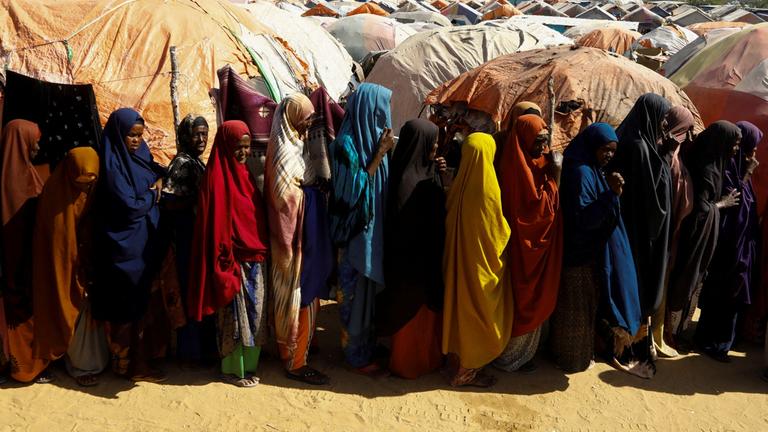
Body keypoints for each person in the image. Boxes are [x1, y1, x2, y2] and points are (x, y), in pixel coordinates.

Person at [550, 123, 640, 373]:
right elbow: (584, 218)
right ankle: (570, 358)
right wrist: (610, 195)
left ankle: (578, 354)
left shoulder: (594, 171)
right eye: (604, 150)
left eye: (612, 151)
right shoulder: (580, 173)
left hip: (589, 254)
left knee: (585, 307)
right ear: (592, 146)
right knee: (575, 310)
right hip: (577, 254)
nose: (609, 155)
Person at [188, 120, 269, 388]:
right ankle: (232, 369)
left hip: (254, 258)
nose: (244, 153)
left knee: (255, 314)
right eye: (238, 147)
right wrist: (227, 260)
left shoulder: (245, 176)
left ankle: (250, 364)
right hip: (231, 261)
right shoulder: (215, 181)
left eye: (247, 147)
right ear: (226, 146)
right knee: (234, 318)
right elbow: (213, 227)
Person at [89, 108, 167, 382]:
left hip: (143, 247)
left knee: (142, 306)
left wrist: (157, 181)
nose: (135, 141)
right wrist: (151, 197)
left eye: (139, 135)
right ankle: (130, 365)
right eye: (130, 136)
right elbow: (129, 206)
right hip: (123, 249)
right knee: (127, 307)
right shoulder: (112, 165)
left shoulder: (140, 157)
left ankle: (139, 362)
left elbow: (158, 172)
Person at [265, 93, 332, 385]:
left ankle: (301, 349)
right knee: (295, 298)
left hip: (303, 240)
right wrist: (310, 193)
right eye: (304, 119)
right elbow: (284, 200)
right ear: (291, 118)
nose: (308, 125)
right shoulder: (283, 153)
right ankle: (294, 360)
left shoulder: (296, 146)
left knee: (307, 297)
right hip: (290, 246)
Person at [328, 83, 394, 376]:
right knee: (353, 296)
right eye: (381, 113)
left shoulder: (372, 141)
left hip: (371, 232)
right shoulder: (346, 146)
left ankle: (366, 345)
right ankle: (354, 355)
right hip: (354, 235)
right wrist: (378, 156)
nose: (386, 120)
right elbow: (350, 194)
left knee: (368, 295)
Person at [377, 119, 446, 379]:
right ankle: (411, 363)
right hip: (417, 266)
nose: (437, 146)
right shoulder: (415, 183)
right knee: (413, 321)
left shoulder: (400, 172)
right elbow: (434, 220)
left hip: (402, 265)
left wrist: (438, 175)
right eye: (433, 141)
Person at [31, 147, 106, 387]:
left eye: (90, 182)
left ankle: (89, 361)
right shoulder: (55, 196)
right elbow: (58, 245)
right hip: (62, 268)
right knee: (66, 306)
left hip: (89, 264)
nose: (85, 187)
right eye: (81, 182)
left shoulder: (95, 191)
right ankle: (76, 365)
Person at [442, 132, 512, 387]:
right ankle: (467, 372)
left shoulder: (460, 183)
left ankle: (455, 363)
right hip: (481, 269)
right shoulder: (488, 188)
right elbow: (498, 232)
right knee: (479, 317)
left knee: (459, 313)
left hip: (459, 267)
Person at [494, 114, 563, 373]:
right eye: (537, 141)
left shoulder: (540, 162)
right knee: (519, 299)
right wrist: (556, 176)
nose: (542, 147)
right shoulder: (513, 166)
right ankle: (508, 357)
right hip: (520, 250)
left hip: (537, 251)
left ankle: (524, 355)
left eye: (545, 142)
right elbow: (532, 214)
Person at [667, 121, 741, 357]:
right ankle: (672, 334)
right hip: (692, 239)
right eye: (735, 144)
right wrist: (722, 204)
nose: (736, 149)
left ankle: (678, 333)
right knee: (685, 281)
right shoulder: (706, 168)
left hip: (701, 238)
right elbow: (701, 208)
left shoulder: (716, 164)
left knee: (693, 283)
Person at [694, 121, 760, 362]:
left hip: (740, 246)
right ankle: (715, 343)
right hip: (728, 246)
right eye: (749, 147)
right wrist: (746, 175)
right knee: (724, 291)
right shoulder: (729, 170)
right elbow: (733, 204)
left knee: (730, 293)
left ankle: (721, 340)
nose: (753, 154)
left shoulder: (737, 167)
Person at [0, 119, 52, 383]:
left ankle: (26, 366)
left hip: (23, 266)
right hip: (17, 267)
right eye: (34, 141)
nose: (38, 146)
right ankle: (22, 367)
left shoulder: (33, 173)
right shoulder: (29, 180)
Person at [162, 114, 216, 367]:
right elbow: (169, 201)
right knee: (189, 290)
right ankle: (191, 352)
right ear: (185, 135)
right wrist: (197, 201)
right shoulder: (182, 163)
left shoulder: (196, 162)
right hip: (185, 238)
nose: (201, 139)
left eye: (204, 134)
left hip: (195, 237)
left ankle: (199, 348)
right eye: (196, 134)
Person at [654, 106, 696, 358]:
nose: (690, 136)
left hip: (670, 236)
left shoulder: (676, 155)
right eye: (687, 130)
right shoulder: (665, 156)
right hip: (661, 236)